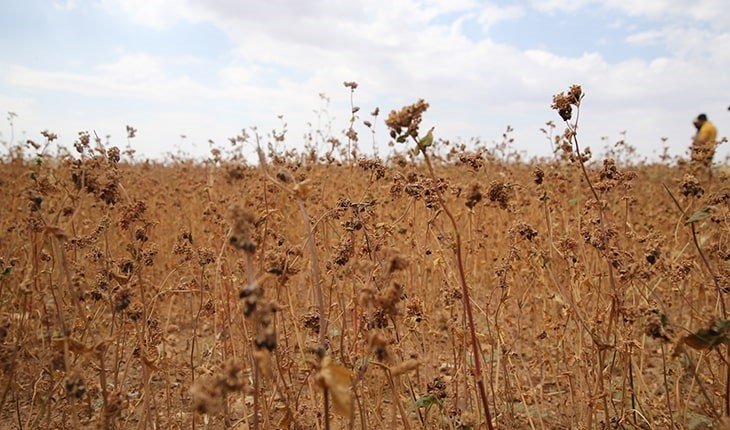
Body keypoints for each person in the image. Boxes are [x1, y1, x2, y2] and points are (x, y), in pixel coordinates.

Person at [691, 113, 717, 180]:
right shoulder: (712, 126)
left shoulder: (705, 127)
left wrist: (694, 144)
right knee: (707, 168)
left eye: (698, 121)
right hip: (710, 149)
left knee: (702, 169)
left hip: (704, 151)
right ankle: (711, 182)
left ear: (701, 120)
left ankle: (705, 183)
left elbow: (702, 140)